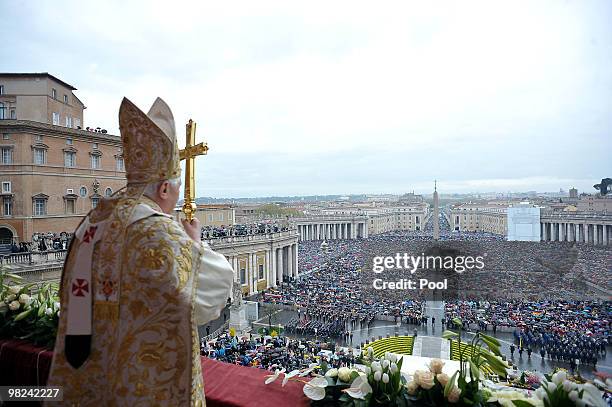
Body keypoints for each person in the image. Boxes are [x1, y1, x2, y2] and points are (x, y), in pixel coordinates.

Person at [46, 98, 234, 406]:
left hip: (90, 375)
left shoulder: (92, 222)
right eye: (174, 191)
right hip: (144, 387)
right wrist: (195, 245)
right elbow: (208, 298)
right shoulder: (158, 230)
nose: (173, 200)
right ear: (163, 189)